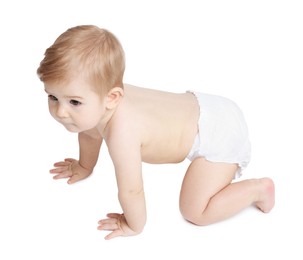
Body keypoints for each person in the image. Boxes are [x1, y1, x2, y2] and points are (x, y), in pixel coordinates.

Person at [37, 25, 275, 240]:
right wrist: (85, 165)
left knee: (194, 211)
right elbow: (90, 132)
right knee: (86, 121)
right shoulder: (99, 93)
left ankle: (258, 189)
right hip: (209, 106)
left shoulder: (123, 132)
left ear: (112, 97)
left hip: (219, 134)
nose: (60, 111)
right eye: (53, 97)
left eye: (74, 102)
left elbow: (132, 189)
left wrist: (133, 224)